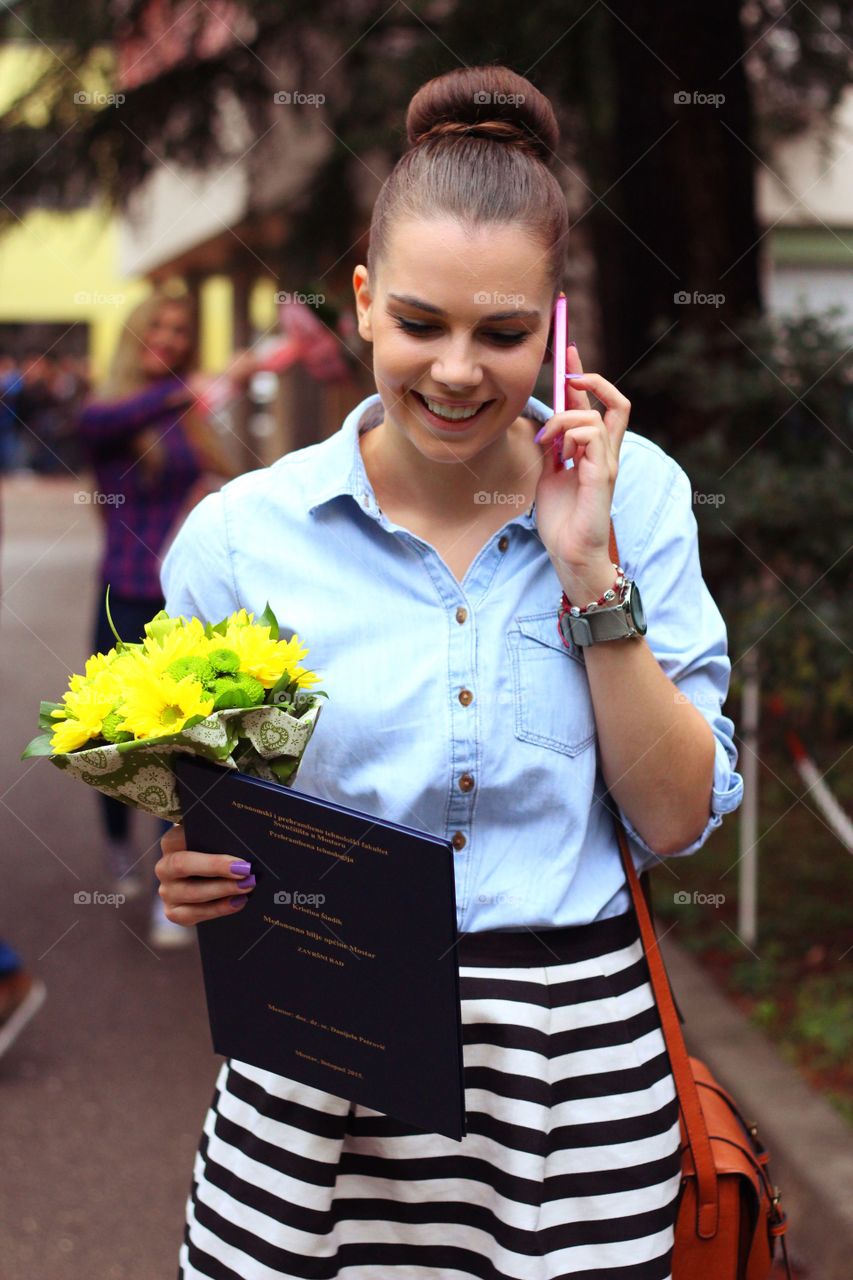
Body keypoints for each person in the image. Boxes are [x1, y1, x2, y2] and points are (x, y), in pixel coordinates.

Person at [155, 65, 744, 1279]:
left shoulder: (637, 499)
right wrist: (195, 871)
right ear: (362, 303)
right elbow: (214, 816)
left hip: (569, 1096)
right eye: (420, 323)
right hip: (316, 1083)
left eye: (504, 330)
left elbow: (676, 816)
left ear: (559, 324)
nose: (459, 371)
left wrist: (591, 573)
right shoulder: (239, 537)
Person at [77, 291, 242, 948]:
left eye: (182, 330)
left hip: (181, 599)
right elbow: (98, 425)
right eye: (159, 328)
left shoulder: (189, 418)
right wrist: (189, 393)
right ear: (135, 335)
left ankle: (161, 883)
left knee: (176, 747)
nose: (171, 340)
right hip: (124, 590)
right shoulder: (113, 411)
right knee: (109, 741)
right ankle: (117, 843)